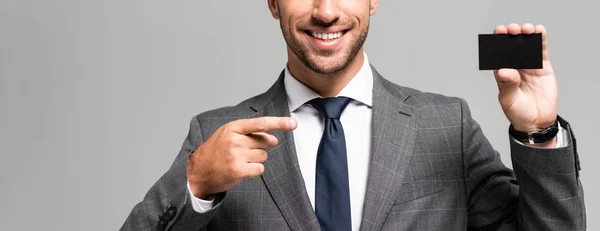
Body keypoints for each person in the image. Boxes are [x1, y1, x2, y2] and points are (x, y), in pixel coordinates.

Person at [121, 0, 585, 230]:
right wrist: (195, 186)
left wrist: (538, 131)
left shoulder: (447, 125)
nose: (326, 12)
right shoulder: (217, 133)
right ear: (273, 3)